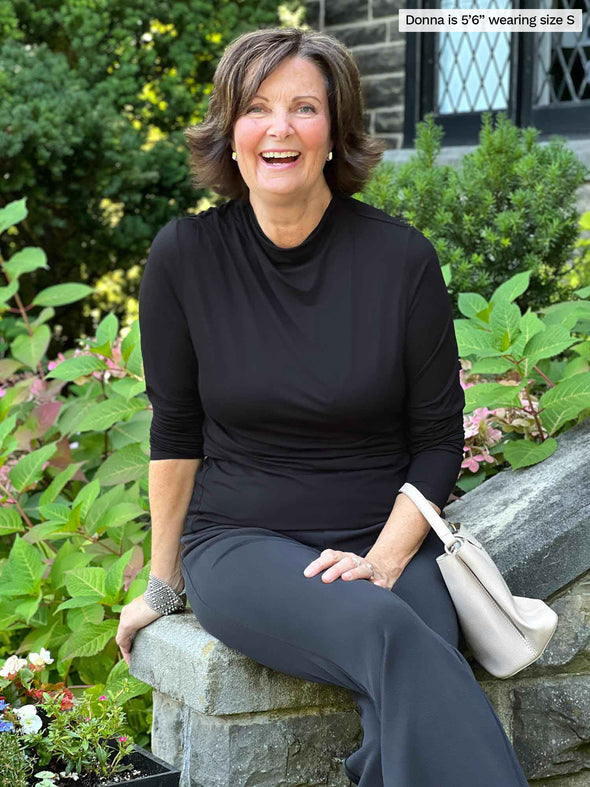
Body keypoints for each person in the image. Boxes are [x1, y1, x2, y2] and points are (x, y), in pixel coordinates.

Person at [115, 26, 530, 787]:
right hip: (242, 541)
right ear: (230, 133)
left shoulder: (401, 259)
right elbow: (176, 433)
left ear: (335, 133)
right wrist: (161, 584)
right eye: (257, 108)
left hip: (385, 535)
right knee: (389, 635)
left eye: (304, 108)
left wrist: (384, 555)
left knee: (411, 670)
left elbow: (437, 437)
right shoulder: (184, 258)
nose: (280, 128)